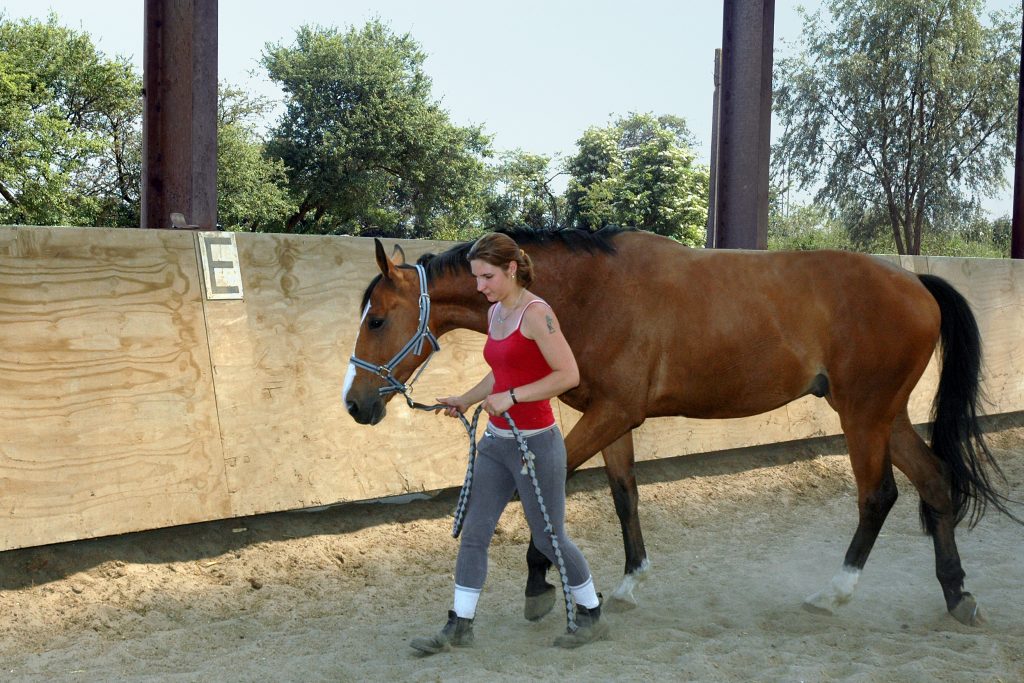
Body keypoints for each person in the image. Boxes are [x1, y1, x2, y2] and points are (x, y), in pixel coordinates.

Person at [409, 232, 609, 654]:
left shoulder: (537, 314)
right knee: (475, 534)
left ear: (511, 270)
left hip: (536, 444)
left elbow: (568, 375)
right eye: (476, 278)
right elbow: (501, 371)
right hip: (497, 444)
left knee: (548, 538)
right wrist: (467, 399)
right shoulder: (497, 311)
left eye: (486, 277)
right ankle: (460, 624)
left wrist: (514, 397)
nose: (479, 286)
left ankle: (591, 611)